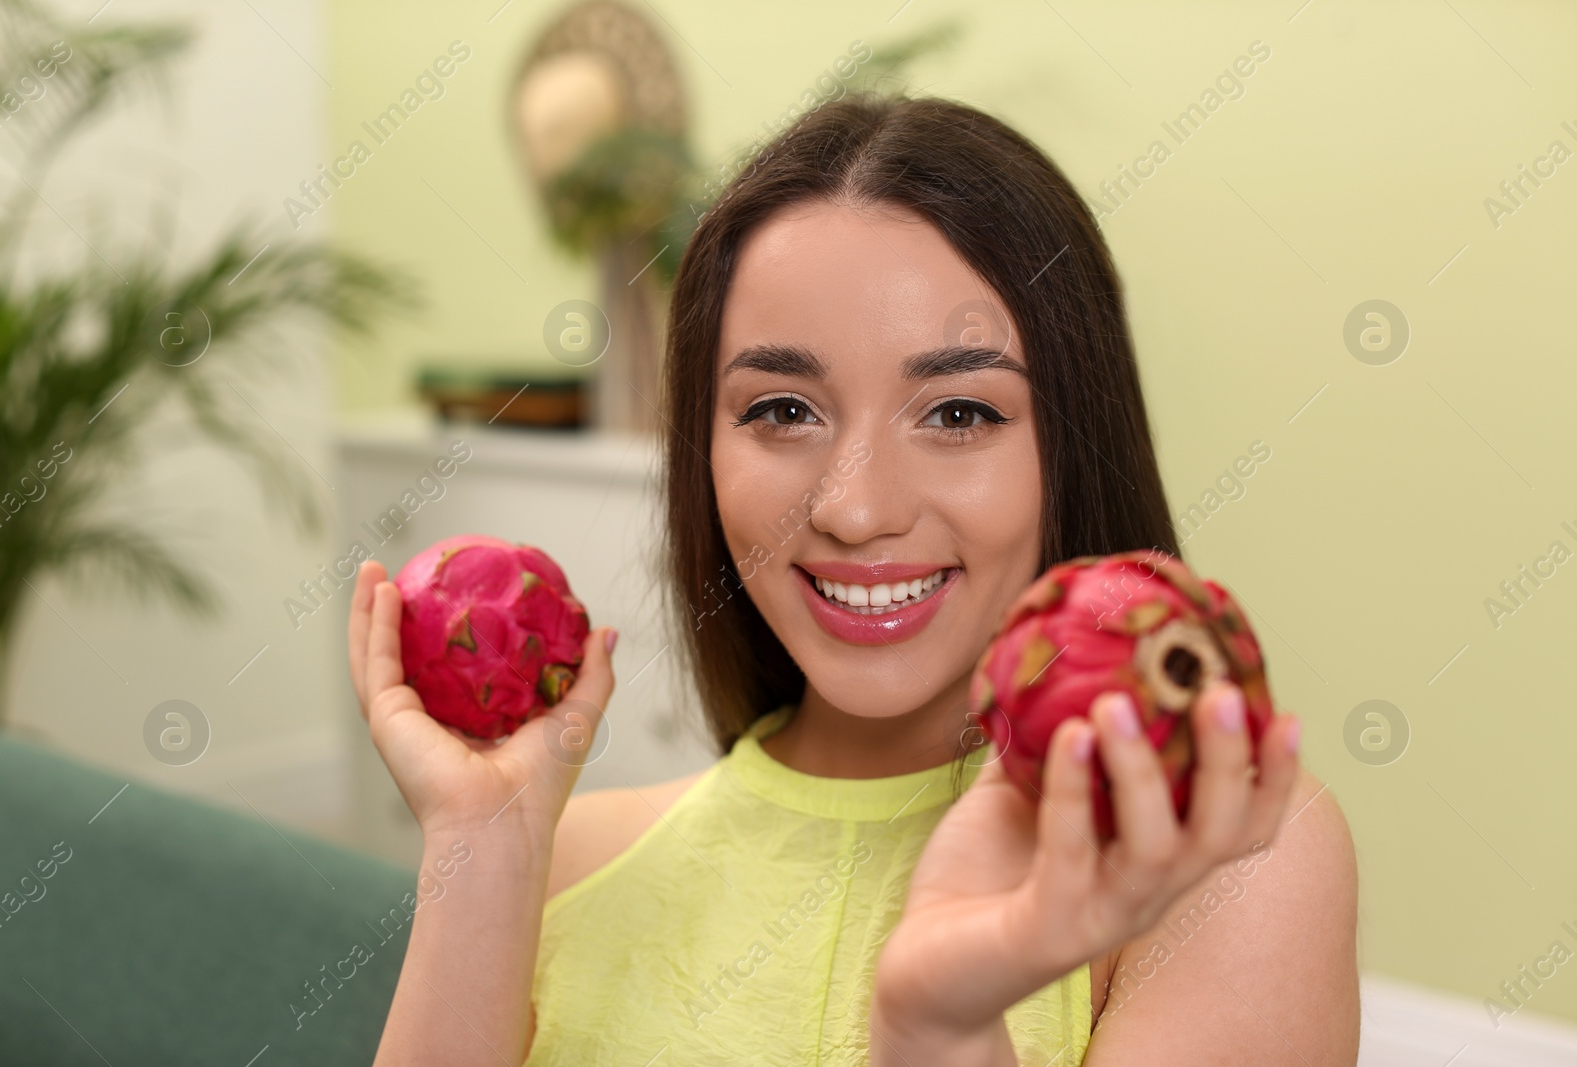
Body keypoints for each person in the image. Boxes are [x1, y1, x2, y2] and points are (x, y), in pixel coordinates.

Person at [347, 91, 1359, 1066]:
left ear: (1074, 442)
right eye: (782, 410)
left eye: (959, 412)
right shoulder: (558, 855)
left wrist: (938, 1030)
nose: (855, 505)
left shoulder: (1215, 853)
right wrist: (480, 856)